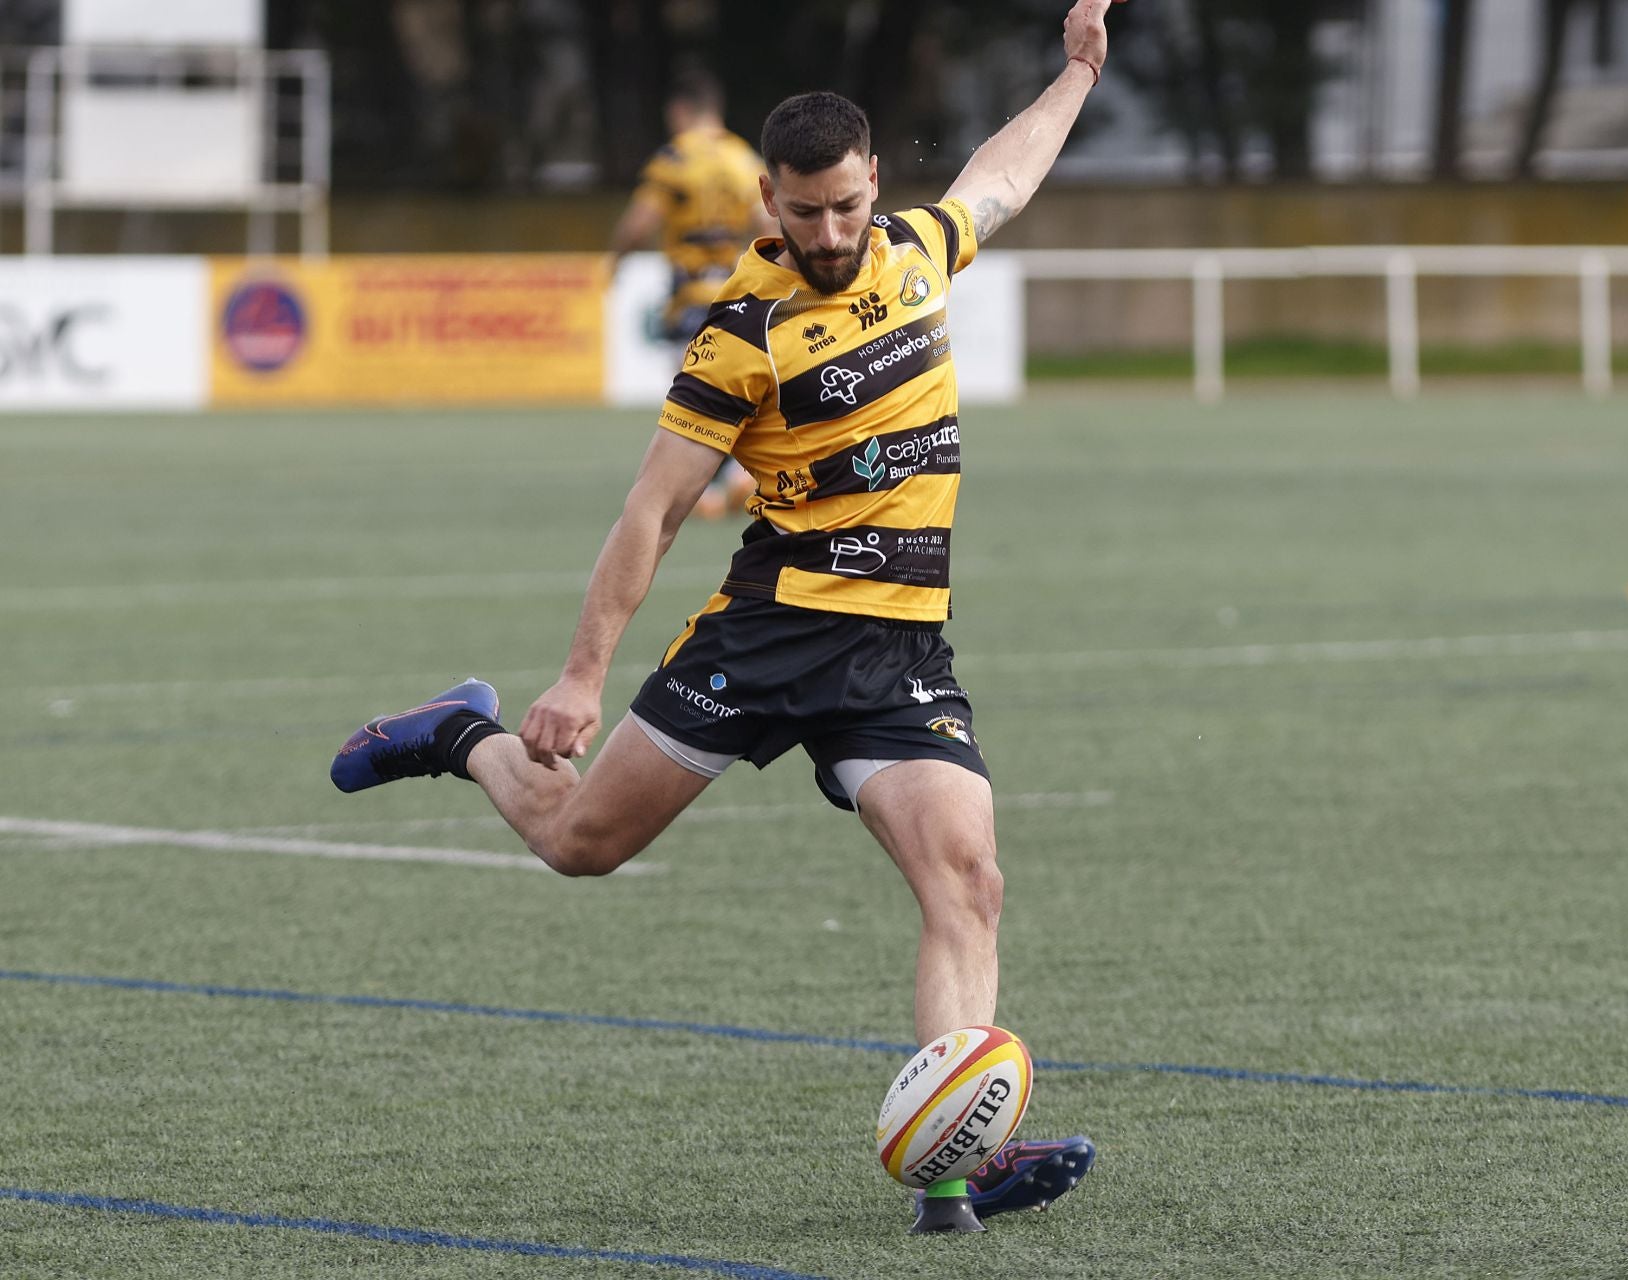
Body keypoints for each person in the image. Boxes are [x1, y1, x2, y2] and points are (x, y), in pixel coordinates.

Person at [332, 0, 1127, 1231]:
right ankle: (455, 734)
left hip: (898, 647)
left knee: (967, 878)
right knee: (580, 842)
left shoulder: (918, 248)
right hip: (766, 637)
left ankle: (960, 1168)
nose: (828, 231)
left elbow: (1003, 176)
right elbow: (650, 514)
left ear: (873, 181)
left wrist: (1077, 72)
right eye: (803, 211)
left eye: (849, 205)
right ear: (770, 197)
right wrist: (581, 676)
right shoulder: (739, 337)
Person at [610, 65, 770, 519]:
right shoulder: (744, 160)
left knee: (693, 396)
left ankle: (719, 484)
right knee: (738, 387)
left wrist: (615, 257)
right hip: (734, 291)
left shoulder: (675, 160)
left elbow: (639, 222)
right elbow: (767, 224)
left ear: (679, 111)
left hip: (689, 295)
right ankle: (736, 477)